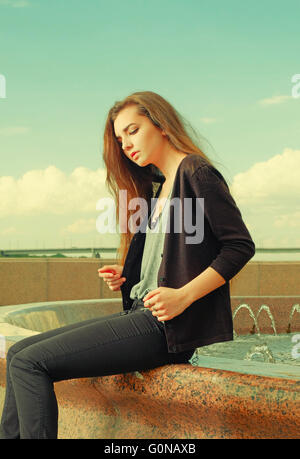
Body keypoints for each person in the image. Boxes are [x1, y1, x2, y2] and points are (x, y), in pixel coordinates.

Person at [0, 91, 255, 439]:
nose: (126, 145)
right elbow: (170, 258)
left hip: (165, 328)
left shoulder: (196, 173)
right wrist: (129, 275)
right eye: (120, 139)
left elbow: (239, 246)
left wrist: (182, 296)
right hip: (139, 315)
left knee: (32, 364)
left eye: (132, 130)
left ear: (161, 124)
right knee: (18, 353)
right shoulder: (159, 189)